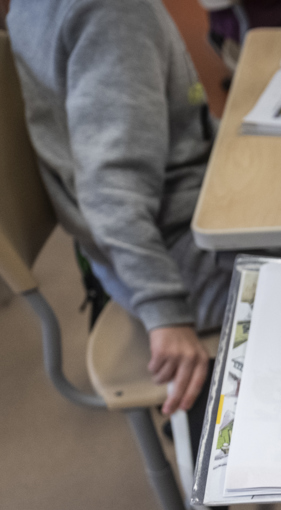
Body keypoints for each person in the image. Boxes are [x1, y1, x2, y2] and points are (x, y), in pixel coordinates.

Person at [7, 0, 229, 414]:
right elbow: (112, 186)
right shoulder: (113, 13)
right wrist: (165, 310)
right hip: (175, 259)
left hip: (146, 243)